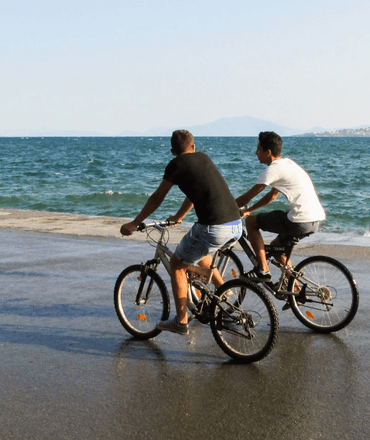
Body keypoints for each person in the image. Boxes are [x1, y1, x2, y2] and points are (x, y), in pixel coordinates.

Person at [120, 130, 242, 335]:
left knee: (177, 264)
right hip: (236, 225)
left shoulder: (175, 165)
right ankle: (223, 290)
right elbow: (195, 194)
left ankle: (181, 321)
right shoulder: (203, 158)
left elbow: (156, 198)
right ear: (193, 147)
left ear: (172, 151)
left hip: (213, 227)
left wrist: (134, 223)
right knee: (200, 252)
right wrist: (179, 216)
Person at [236, 131, 326, 289]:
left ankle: (263, 270)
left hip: (299, 220)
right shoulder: (288, 164)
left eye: (258, 149)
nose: (256, 153)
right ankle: (295, 288)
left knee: (251, 223)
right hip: (314, 220)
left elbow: (249, 195)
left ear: (268, 152)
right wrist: (249, 210)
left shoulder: (273, 169)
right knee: (277, 249)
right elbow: (272, 196)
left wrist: (228, 207)